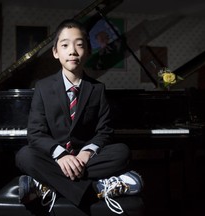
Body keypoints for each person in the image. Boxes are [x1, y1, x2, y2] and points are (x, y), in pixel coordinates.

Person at [15, 19, 143, 215]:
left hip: (85, 161)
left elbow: (104, 131)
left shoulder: (97, 89)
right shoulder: (42, 87)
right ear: (56, 52)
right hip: (56, 157)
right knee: (25, 155)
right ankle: (97, 189)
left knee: (122, 152)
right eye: (65, 45)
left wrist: (87, 152)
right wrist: (60, 155)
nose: (72, 51)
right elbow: (35, 133)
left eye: (79, 45)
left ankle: (45, 185)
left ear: (88, 51)